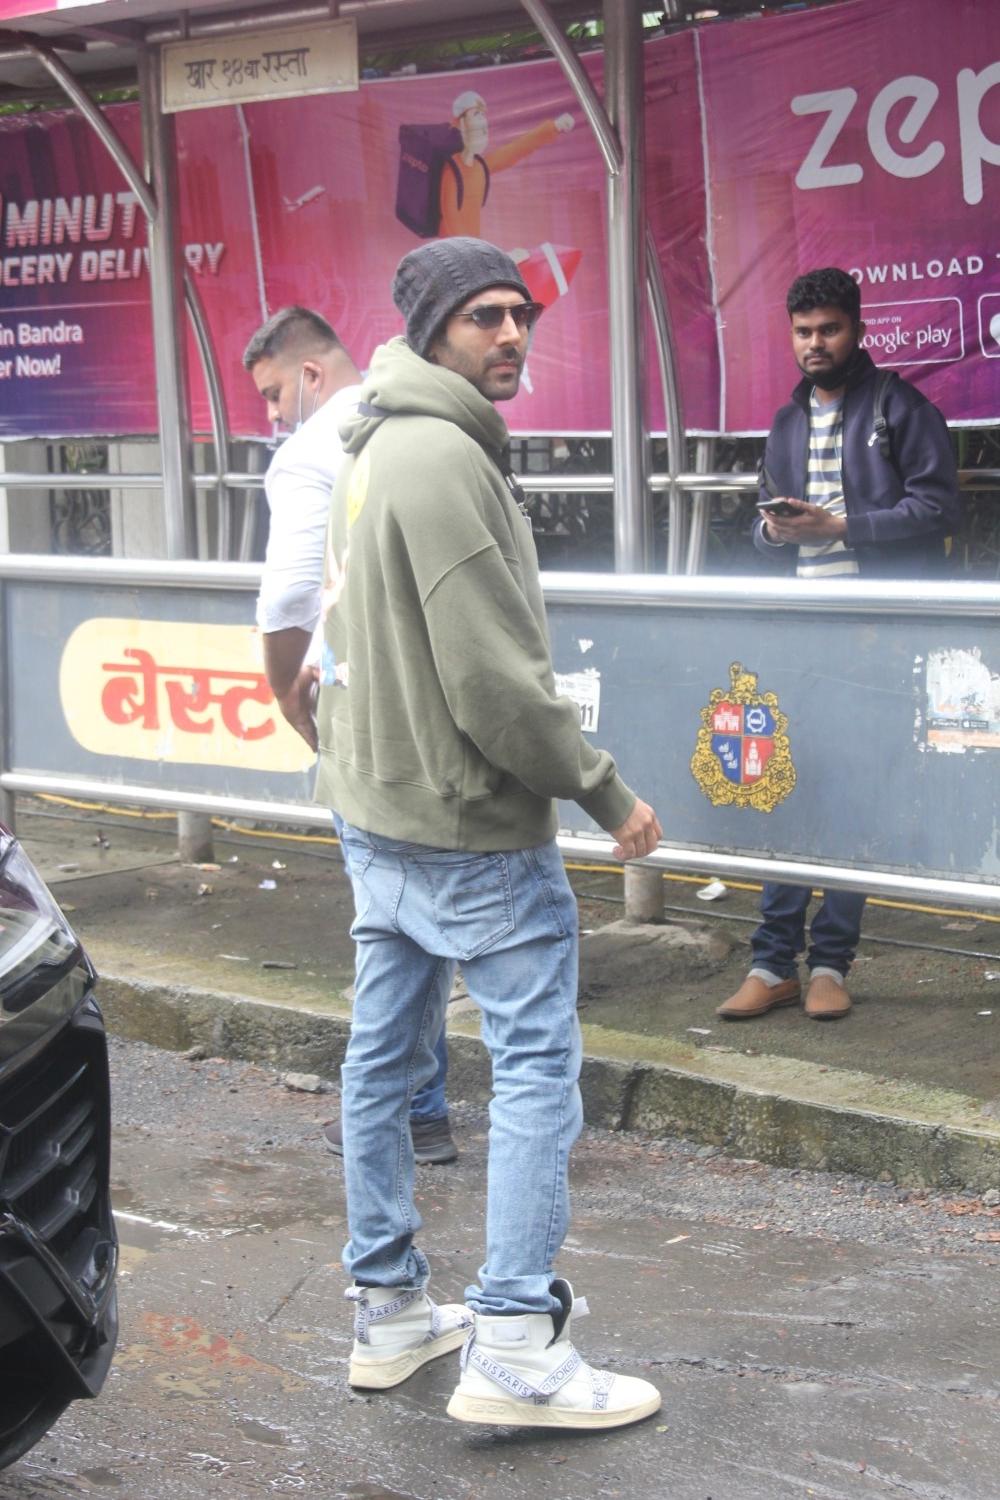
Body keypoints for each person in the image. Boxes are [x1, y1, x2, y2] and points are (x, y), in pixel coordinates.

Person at [317, 236, 663, 1429]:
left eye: (518, 313)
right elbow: (499, 686)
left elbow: (335, 642)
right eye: (482, 317)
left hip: (377, 813)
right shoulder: (441, 459)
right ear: (430, 332)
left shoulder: (367, 445)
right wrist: (607, 793)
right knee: (532, 1072)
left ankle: (390, 1312)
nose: (510, 334)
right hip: (465, 829)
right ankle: (515, 1342)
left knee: (381, 1060)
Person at [242, 306, 457, 1164]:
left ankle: (398, 1116)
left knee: (390, 920)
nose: (272, 417)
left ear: (313, 373)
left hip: (365, 711)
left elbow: (290, 594)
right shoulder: (424, 415)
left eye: (272, 394)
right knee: (426, 917)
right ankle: (421, 1104)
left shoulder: (310, 452)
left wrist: (289, 700)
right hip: (439, 703)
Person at [718, 266, 961, 1024]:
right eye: (802, 332)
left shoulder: (901, 406)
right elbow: (764, 534)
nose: (814, 343)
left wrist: (841, 526)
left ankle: (829, 963)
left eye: (828, 329)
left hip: (876, 633)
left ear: (857, 330)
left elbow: (938, 509)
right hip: (800, 627)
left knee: (852, 795)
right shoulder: (787, 423)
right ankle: (770, 961)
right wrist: (774, 529)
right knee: (785, 790)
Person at [439, 90, 574, 238]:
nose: (483, 122)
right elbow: (452, 222)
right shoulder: (451, 172)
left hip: (473, 252)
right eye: (476, 115)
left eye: (483, 115)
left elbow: (515, 150)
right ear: (461, 124)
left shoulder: (480, 167)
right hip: (457, 256)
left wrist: (554, 127)